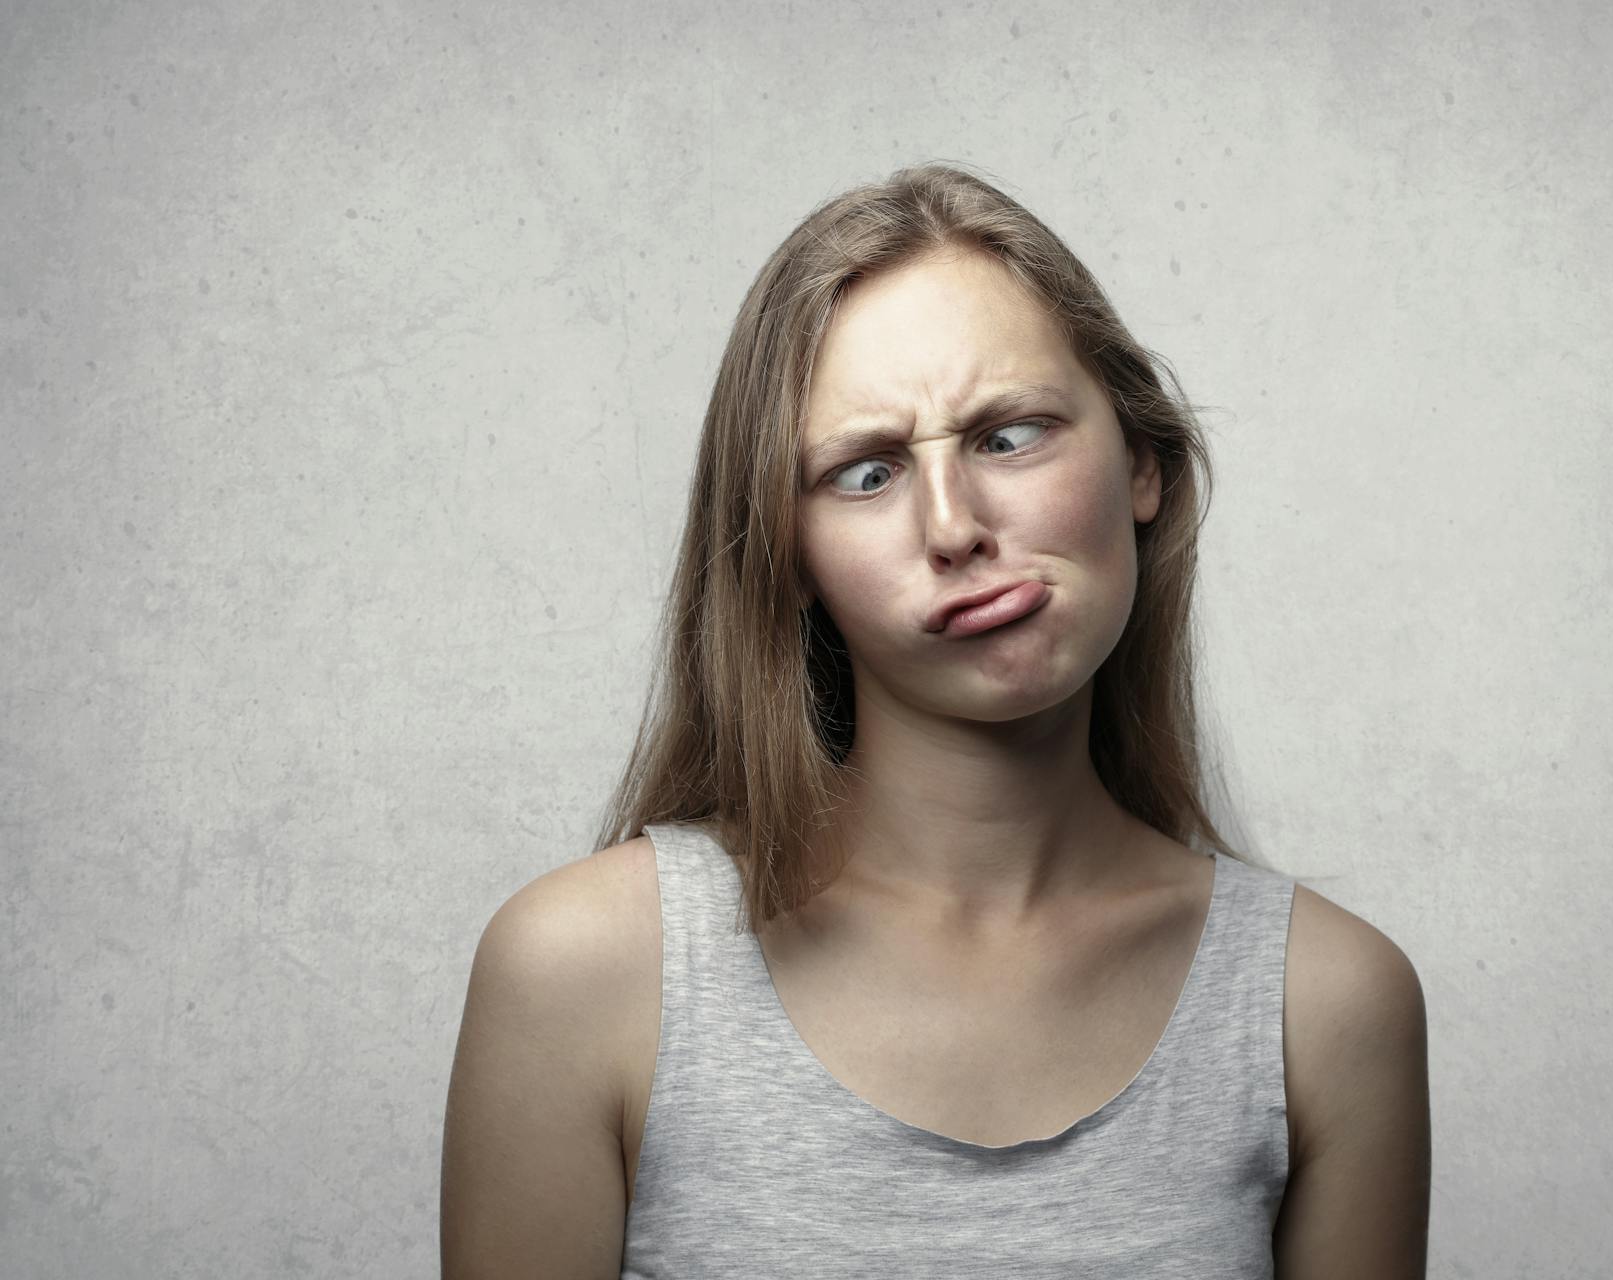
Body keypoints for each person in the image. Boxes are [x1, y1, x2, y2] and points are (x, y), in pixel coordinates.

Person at [440, 162, 1430, 1277]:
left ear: (1142, 462)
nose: (953, 526)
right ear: (789, 556)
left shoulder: (1328, 1006)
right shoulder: (585, 972)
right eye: (866, 473)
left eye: (1009, 436)